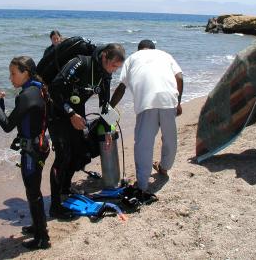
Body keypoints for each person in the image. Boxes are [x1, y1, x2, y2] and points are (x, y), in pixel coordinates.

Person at [48, 43, 125, 218]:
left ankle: (65, 188)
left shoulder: (105, 75)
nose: (113, 70)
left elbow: (105, 106)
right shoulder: (81, 63)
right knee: (62, 157)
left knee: (77, 153)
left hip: (77, 112)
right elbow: (54, 90)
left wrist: (107, 131)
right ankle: (54, 205)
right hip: (59, 112)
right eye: (112, 65)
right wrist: (70, 114)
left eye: (117, 68)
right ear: (104, 56)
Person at [110, 39, 183, 193]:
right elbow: (180, 78)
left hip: (146, 102)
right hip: (169, 99)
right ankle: (164, 168)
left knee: (144, 144)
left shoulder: (132, 58)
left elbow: (121, 87)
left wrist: (109, 107)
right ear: (153, 49)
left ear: (139, 50)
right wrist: (179, 103)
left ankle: (142, 184)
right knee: (170, 138)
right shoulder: (164, 55)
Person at [0, 56, 51, 249]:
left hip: (31, 152)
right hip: (41, 146)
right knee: (33, 189)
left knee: (33, 192)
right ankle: (37, 225)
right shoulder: (40, 89)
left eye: (13, 73)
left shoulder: (26, 96)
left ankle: (42, 238)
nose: (10, 78)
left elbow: (7, 125)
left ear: (25, 73)